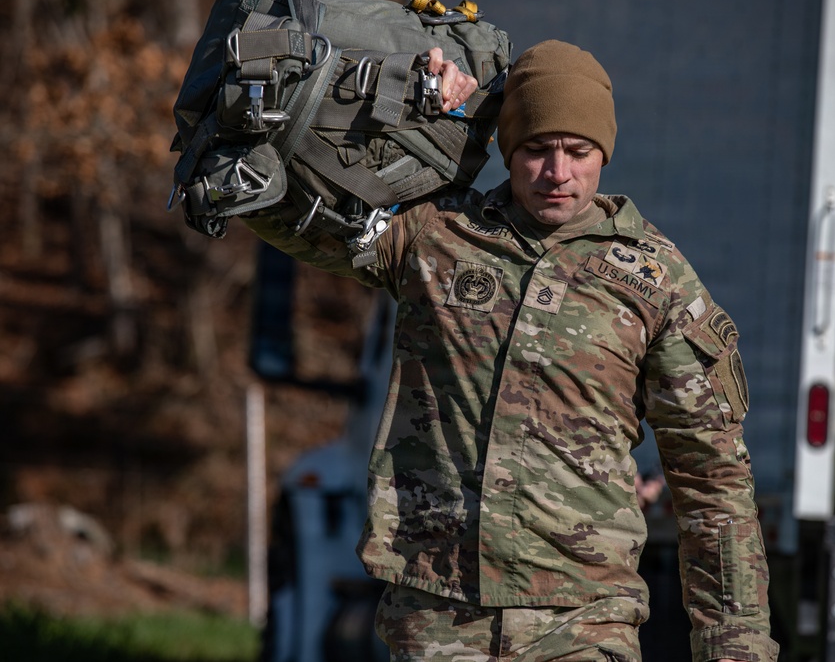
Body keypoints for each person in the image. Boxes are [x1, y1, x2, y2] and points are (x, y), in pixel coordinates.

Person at [244, 40, 778, 662]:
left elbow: (713, 482)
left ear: (605, 151)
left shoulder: (657, 283)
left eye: (579, 153)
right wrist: (407, 107)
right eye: (535, 151)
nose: (558, 173)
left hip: (581, 620)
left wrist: (733, 647)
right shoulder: (434, 237)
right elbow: (281, 208)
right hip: (437, 616)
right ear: (505, 148)